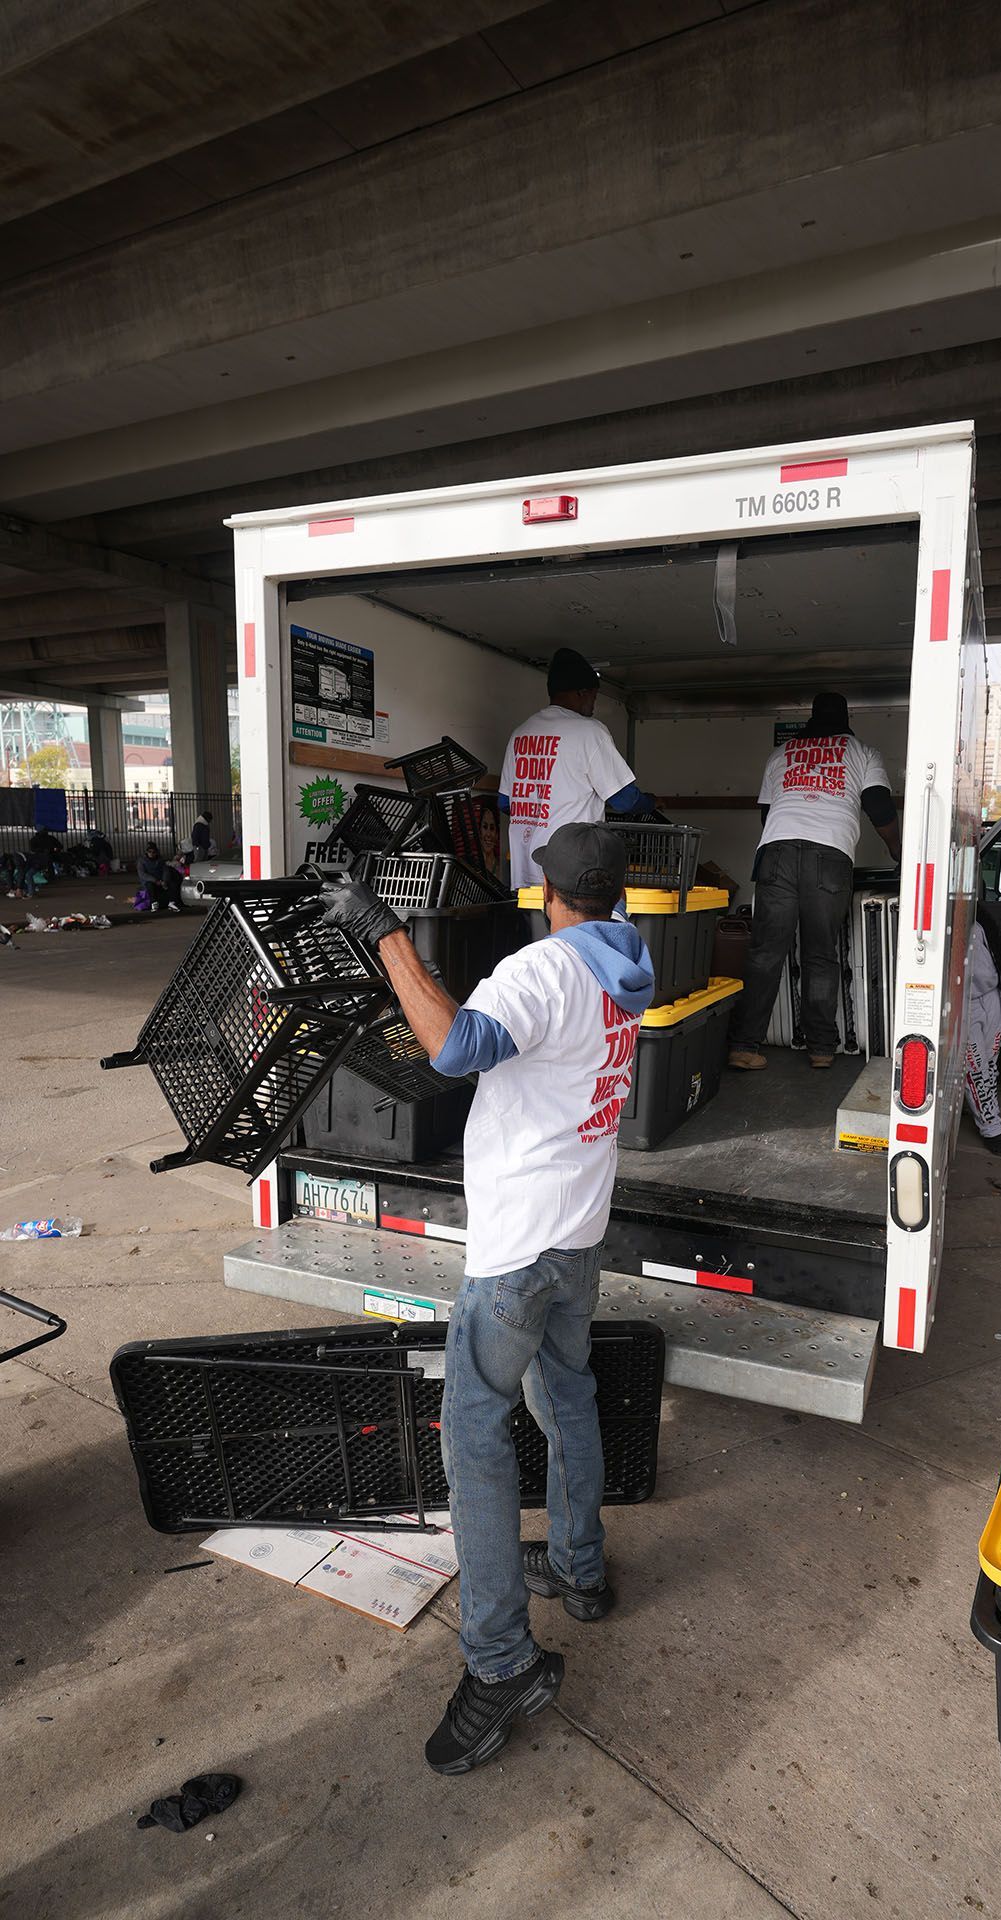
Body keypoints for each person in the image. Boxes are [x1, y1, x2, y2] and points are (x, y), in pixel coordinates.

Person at [310, 824, 655, 1774]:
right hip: (580, 1234)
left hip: (514, 1254)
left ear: (551, 896)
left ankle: (500, 1661)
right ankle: (580, 1571)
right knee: (567, 1396)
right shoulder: (631, 964)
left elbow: (453, 1049)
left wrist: (385, 934)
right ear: (616, 896)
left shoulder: (539, 971)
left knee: (473, 1431)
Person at [728, 691, 901, 1071]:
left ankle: (744, 1044)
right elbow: (879, 806)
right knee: (820, 954)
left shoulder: (781, 754)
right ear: (845, 720)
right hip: (830, 854)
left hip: (776, 852)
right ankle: (821, 1048)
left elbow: (766, 812)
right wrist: (897, 849)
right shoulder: (862, 752)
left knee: (765, 954)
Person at [499, 648, 652, 890]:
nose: (593, 705)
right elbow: (624, 800)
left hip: (526, 872)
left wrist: (541, 817)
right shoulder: (589, 731)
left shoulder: (520, 734)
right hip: (574, 873)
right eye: (594, 696)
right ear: (582, 692)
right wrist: (651, 803)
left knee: (538, 929)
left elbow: (505, 803)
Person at [964, 905, 1001, 1155]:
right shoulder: (945, 926)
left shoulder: (979, 920)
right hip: (965, 1006)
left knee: (990, 1067)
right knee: (976, 1072)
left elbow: (997, 966)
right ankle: (991, 1128)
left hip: (990, 999)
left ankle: (991, 1117)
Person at [137, 842, 183, 913]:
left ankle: (172, 902)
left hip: (161, 881)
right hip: (150, 881)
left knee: (173, 884)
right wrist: (155, 881)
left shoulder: (160, 860)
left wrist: (164, 881)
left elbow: (165, 871)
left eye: (153, 852)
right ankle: (154, 903)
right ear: (146, 852)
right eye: (150, 852)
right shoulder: (142, 861)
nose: (151, 854)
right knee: (149, 885)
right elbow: (143, 875)